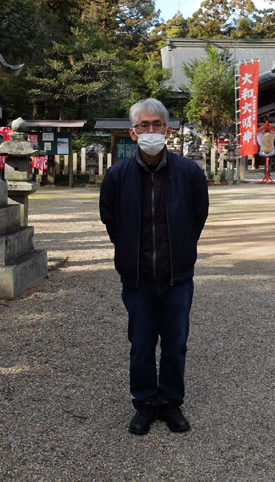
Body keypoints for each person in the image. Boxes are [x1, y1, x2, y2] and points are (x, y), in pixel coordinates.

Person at [99, 98, 210, 435]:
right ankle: (146, 402)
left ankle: (171, 402)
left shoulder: (189, 172)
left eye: (156, 124)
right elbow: (111, 220)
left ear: (168, 130)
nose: (150, 131)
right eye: (144, 125)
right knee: (142, 343)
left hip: (177, 275)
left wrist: (182, 250)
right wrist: (129, 252)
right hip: (138, 277)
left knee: (176, 342)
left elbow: (198, 217)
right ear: (133, 133)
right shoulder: (118, 175)